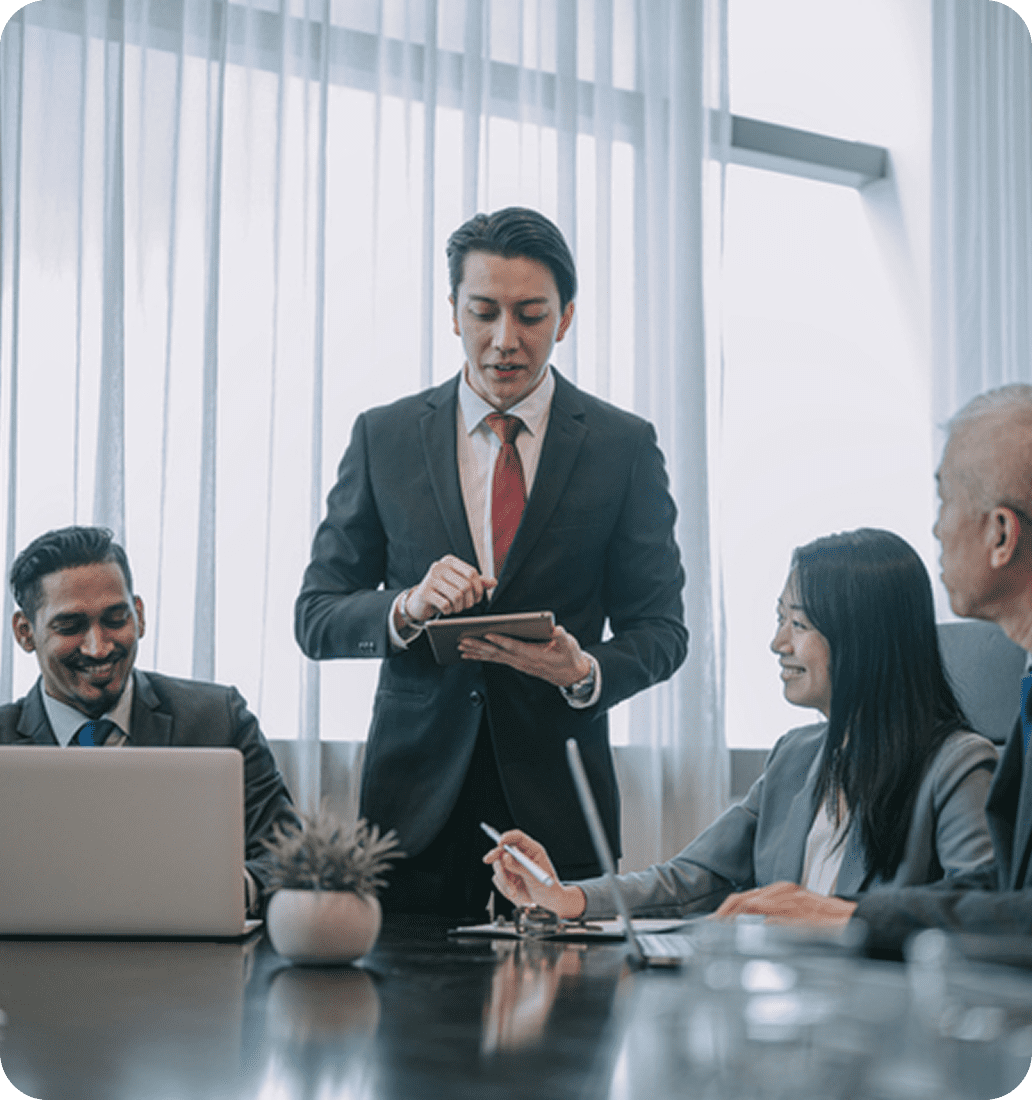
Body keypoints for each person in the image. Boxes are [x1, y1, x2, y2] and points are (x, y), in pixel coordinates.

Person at [295, 207, 688, 917]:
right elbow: (317, 616)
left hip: (560, 815)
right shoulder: (383, 437)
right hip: (409, 815)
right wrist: (406, 606)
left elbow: (662, 630)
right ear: (453, 313)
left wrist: (583, 672)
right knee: (405, 992)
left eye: (531, 316)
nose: (506, 340)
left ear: (566, 319)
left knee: (565, 994)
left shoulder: (623, 447)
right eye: (484, 313)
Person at [487, 528, 997, 921]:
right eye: (780, 619)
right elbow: (692, 879)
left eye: (798, 623)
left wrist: (841, 917)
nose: (779, 643)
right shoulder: (795, 755)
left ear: (863, 637)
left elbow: (982, 908)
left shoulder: (958, 764)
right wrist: (567, 897)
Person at [709, 385, 1032, 949]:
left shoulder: (956, 759)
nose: (936, 530)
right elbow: (1004, 903)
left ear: (1000, 535)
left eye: (944, 502)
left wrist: (850, 917)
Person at [0, 525, 298, 912]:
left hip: (190, 946)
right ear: (25, 633)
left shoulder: (218, 719)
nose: (98, 648)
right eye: (70, 626)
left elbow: (290, 856)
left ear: (139, 616)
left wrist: (226, 893)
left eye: (115, 619)